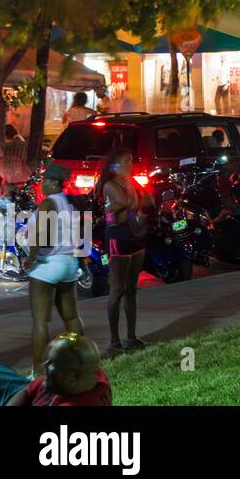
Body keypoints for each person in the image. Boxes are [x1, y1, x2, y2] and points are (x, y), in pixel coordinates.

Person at [23, 163, 85, 375]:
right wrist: (82, 265)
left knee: (41, 322)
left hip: (48, 264)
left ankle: (38, 374)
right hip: (69, 263)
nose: (41, 184)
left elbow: (39, 234)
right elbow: (80, 236)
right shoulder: (69, 203)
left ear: (53, 183)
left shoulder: (49, 203)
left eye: (44, 180)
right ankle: (81, 361)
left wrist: (31, 258)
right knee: (72, 318)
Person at [96, 148, 146, 355]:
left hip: (135, 235)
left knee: (132, 288)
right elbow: (127, 202)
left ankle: (131, 336)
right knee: (117, 289)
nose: (130, 165)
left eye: (131, 161)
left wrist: (132, 191)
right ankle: (114, 341)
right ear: (115, 166)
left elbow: (137, 203)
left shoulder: (129, 183)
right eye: (126, 162)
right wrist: (129, 187)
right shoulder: (109, 185)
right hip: (118, 237)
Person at [0, 333, 110, 406]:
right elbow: (26, 390)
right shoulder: (88, 374)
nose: (44, 366)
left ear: (71, 379)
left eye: (50, 363)